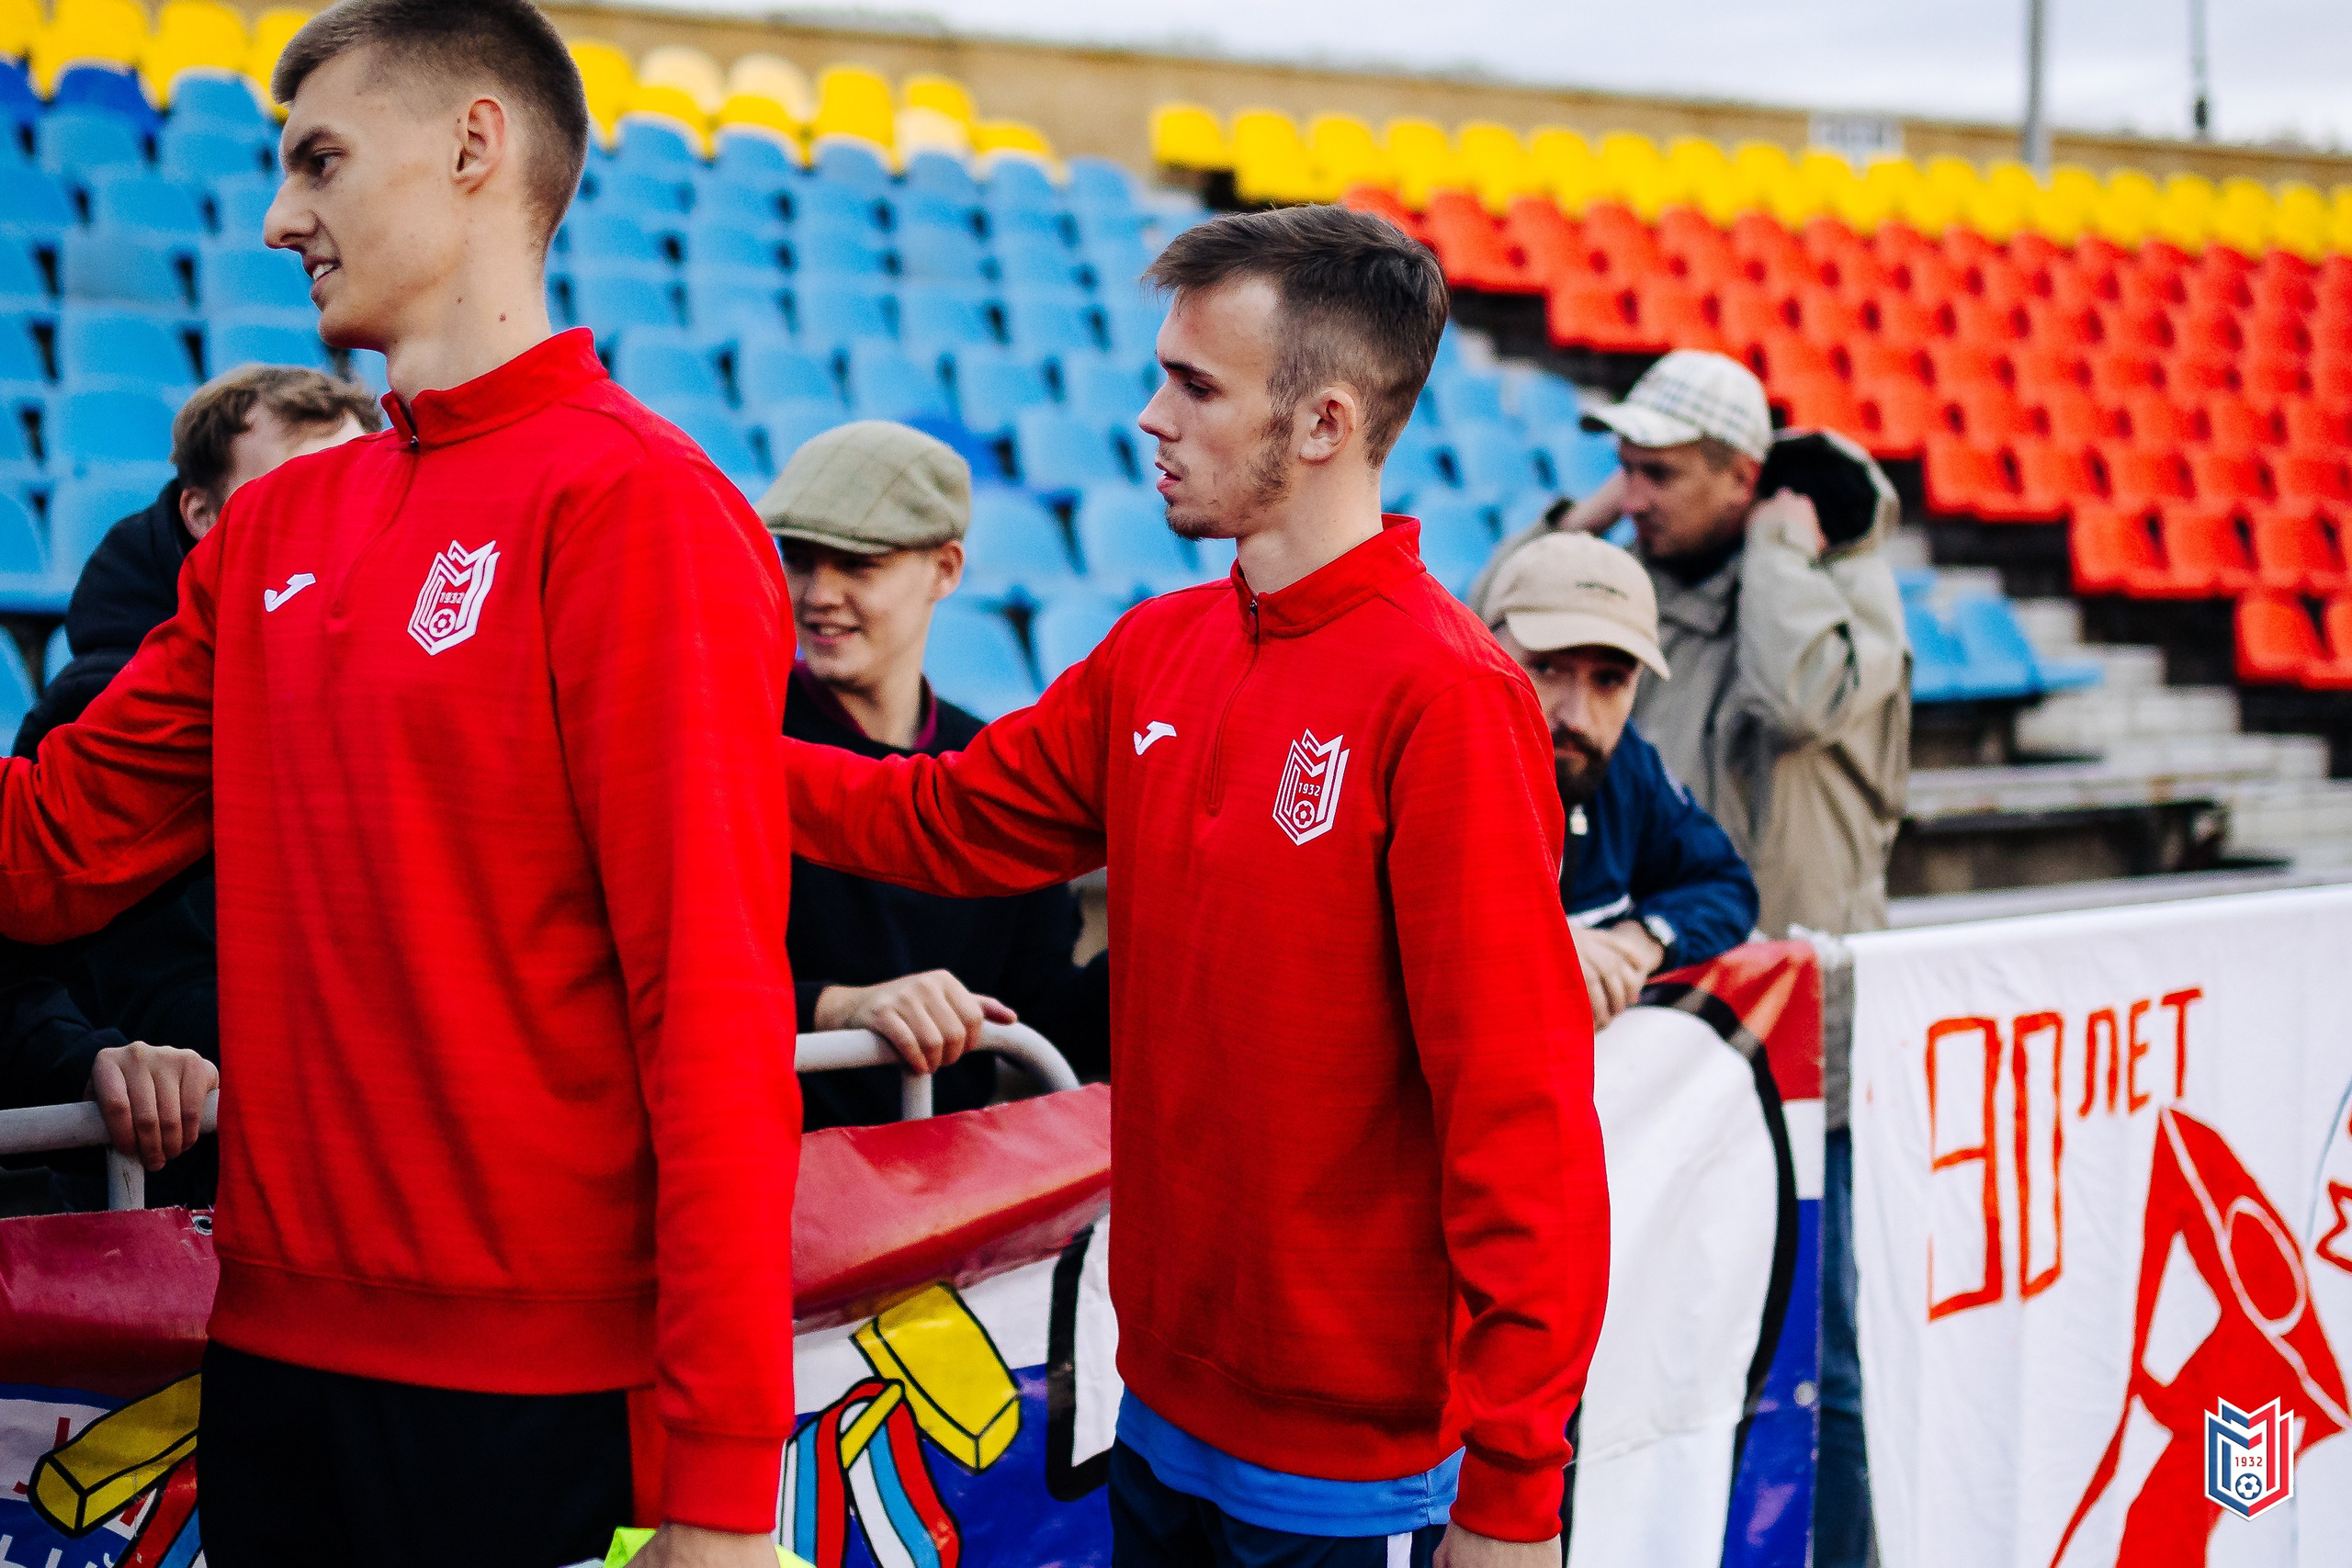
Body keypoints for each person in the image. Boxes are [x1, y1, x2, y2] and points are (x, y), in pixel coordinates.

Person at [0, 4, 799, 1564]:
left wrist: (718, 1487)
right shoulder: (274, 536)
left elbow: (708, 1013)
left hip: (533, 1405)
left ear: (474, 145)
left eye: (319, 160)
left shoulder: (645, 511)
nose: (279, 216)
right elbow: (49, 850)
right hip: (271, 1366)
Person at [786, 205, 1605, 1568]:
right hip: (1157, 1398)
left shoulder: (1448, 698)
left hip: (1349, 1461)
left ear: (1325, 422)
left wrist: (1515, 1492)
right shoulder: (1157, 645)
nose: (1151, 415)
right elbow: (942, 816)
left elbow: (1522, 1125)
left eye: (1194, 383)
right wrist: (685, 755)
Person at [1477, 350, 1905, 1568]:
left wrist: (1778, 549)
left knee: (1818, 1356)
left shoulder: (1831, 590)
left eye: (1660, 472)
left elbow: (1793, 697)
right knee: (1644, 1355)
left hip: (1793, 1049)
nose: (1636, 491)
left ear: (1747, 476)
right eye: (1623, 466)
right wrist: (1592, 514)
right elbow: (1481, 633)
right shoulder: (1626, 588)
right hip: (1654, 1067)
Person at [0, 366, 379, 1209]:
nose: (337, 522)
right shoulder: (96, 710)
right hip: (181, 1194)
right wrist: (99, 1058)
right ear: (201, 517)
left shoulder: (377, 682)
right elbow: (24, 975)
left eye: (355, 487)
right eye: (298, 488)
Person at [758, 420, 1109, 1128]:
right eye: (800, 559)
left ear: (946, 570)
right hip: (768, 1190)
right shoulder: (731, 735)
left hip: (943, 1208)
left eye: (858, 565)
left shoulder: (991, 761)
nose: (818, 593)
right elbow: (658, 989)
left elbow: (1042, 1011)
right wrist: (843, 1006)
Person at [1481, 531, 1758, 1029]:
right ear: (1484, 648)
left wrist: (1642, 940)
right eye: (1545, 667)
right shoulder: (1422, 761)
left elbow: (1725, 885)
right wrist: (1538, 946)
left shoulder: (1624, 763)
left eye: (1610, 679)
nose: (1578, 717)